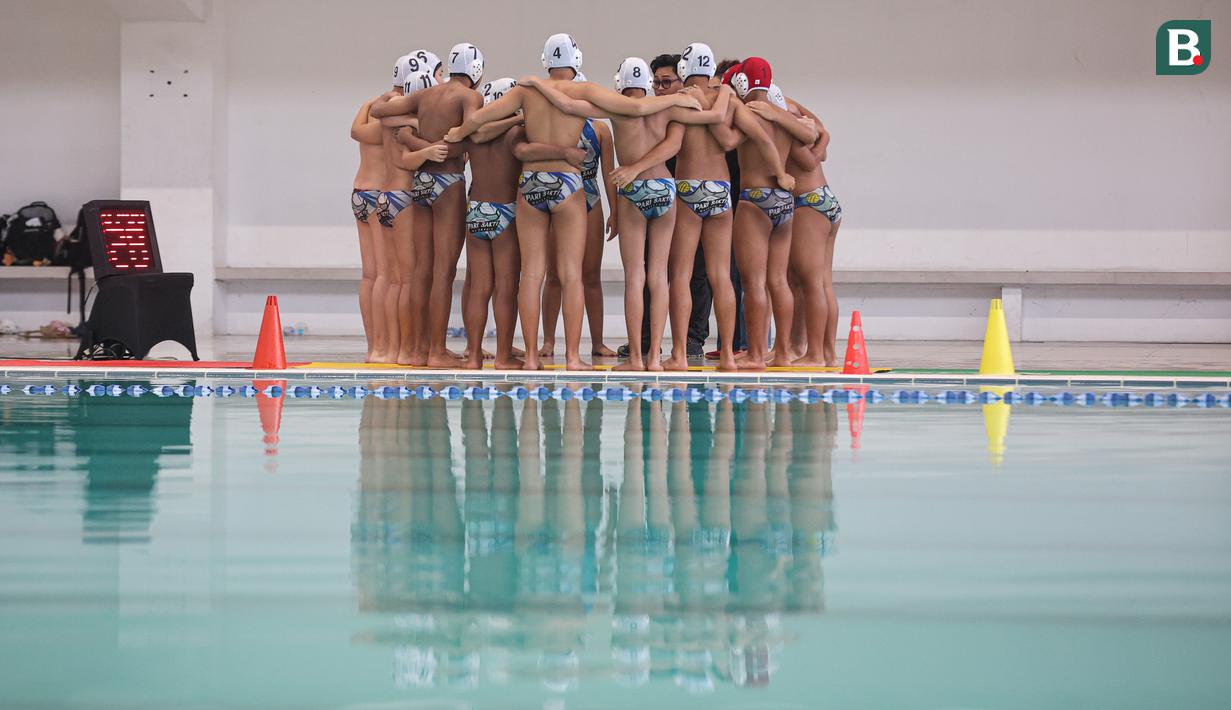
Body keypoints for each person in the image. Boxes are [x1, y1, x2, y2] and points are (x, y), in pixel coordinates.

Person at [445, 33, 702, 371]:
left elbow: (479, 120)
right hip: (568, 182)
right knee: (571, 275)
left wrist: (457, 134)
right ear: (576, 61)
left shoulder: (527, 90)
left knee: (533, 274)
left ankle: (533, 357)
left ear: (545, 60)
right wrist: (675, 101)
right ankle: (572, 358)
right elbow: (637, 107)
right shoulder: (583, 90)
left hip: (532, 183)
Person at [539, 58, 727, 371]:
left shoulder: (615, 108)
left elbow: (569, 105)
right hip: (665, 187)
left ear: (619, 84)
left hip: (633, 189)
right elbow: (702, 123)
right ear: (648, 83)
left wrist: (535, 86)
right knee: (660, 277)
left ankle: (637, 359)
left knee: (635, 277)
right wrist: (716, 93)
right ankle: (656, 357)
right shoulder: (669, 107)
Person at [456, 78, 588, 370]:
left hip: (476, 208)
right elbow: (522, 152)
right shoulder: (519, 132)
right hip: (506, 211)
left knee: (479, 286)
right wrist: (564, 151)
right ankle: (507, 355)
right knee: (509, 286)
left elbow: (466, 141)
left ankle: (475, 354)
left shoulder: (477, 133)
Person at [373, 43, 484, 368]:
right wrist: (443, 145)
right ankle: (437, 350)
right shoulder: (469, 98)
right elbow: (472, 138)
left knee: (422, 270)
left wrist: (412, 129)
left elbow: (380, 111)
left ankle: (418, 349)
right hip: (448, 183)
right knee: (443, 272)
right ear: (476, 70)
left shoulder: (426, 95)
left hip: (420, 184)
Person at [721, 57, 807, 369]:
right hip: (784, 203)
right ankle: (782, 352)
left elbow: (727, 140)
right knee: (778, 281)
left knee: (753, 283)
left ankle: (756, 354)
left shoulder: (746, 112)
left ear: (742, 83)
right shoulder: (782, 115)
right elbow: (810, 137)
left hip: (754, 199)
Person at [756, 84, 842, 365]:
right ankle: (817, 351)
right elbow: (824, 135)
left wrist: (784, 122)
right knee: (813, 282)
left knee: (810, 282)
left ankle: (815, 353)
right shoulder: (791, 107)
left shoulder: (782, 116)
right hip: (823, 200)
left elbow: (808, 161)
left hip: (809, 202)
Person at [539, 73, 619, 360]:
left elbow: (609, 173)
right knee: (554, 275)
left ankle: (597, 341)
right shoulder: (552, 126)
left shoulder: (600, 130)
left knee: (591, 276)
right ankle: (548, 341)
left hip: (590, 198)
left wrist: (616, 209)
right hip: (560, 197)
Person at [372, 51, 443, 364]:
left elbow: (370, 121)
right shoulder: (413, 122)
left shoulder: (390, 119)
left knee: (388, 279)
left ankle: (384, 348)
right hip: (403, 198)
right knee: (407, 281)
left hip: (384, 198)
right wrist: (430, 150)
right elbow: (406, 160)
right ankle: (404, 350)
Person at [349, 91, 388, 362]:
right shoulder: (398, 113)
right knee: (387, 276)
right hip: (380, 195)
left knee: (369, 276)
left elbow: (355, 131)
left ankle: (372, 346)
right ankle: (383, 348)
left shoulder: (373, 106)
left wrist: (367, 103)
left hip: (359, 193)